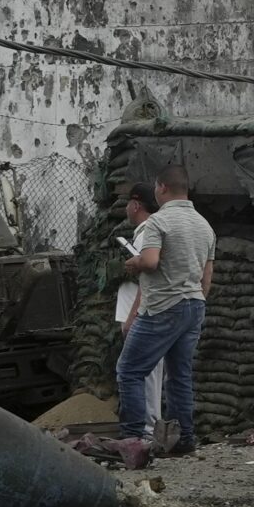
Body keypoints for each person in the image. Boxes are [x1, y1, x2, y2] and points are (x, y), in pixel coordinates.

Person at [116, 165, 214, 455]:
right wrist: (196, 301)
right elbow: (207, 276)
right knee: (179, 375)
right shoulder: (204, 226)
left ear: (161, 188)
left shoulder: (159, 222)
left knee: (129, 370)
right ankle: (183, 440)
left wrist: (133, 263)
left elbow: (150, 262)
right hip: (194, 305)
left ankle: (134, 441)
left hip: (162, 306)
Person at [111, 185, 168, 447]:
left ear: (135, 205)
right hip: (150, 312)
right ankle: (149, 430)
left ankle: (144, 433)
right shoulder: (147, 231)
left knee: (140, 372)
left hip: (146, 314)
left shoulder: (148, 233)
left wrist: (133, 316)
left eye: (127, 204)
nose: (125, 209)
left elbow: (148, 279)